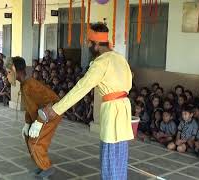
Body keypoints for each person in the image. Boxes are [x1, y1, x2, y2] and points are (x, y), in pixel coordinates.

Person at [38, 22, 134, 180]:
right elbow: (129, 81)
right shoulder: (119, 58)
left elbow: (80, 89)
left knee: (109, 159)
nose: (87, 45)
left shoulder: (101, 62)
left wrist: (55, 110)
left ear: (96, 44)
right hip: (123, 109)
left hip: (112, 112)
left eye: (89, 42)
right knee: (119, 158)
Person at [5, 56, 62, 178]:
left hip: (51, 114)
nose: (7, 75)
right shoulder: (24, 84)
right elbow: (29, 106)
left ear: (17, 71)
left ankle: (47, 168)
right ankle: (41, 165)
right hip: (41, 115)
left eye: (9, 72)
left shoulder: (32, 85)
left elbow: (51, 104)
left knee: (35, 142)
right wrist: (27, 123)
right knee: (28, 137)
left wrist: (39, 122)